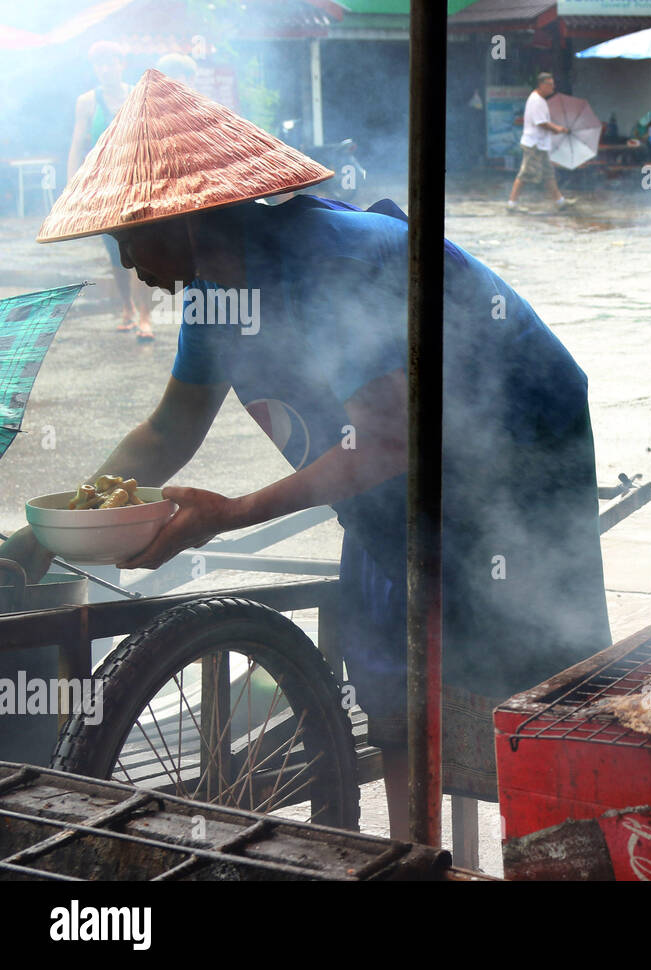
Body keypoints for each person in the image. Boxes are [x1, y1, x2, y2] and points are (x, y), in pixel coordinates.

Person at [3, 70, 611, 838]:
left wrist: (230, 513)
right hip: (394, 475)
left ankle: (558, 850)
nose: (126, 263)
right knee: (390, 672)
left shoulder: (338, 260)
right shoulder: (212, 296)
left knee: (534, 689)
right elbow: (170, 427)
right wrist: (37, 540)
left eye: (129, 235)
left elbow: (389, 435)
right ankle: (412, 856)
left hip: (513, 457)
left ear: (189, 218)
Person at [68, 41, 154, 340]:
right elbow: (79, 144)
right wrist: (73, 189)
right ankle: (127, 307)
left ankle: (144, 316)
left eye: (111, 62)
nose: (106, 68)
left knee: (141, 253)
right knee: (117, 256)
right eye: (100, 63)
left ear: (122, 63)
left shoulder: (137, 94)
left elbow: (149, 139)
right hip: (104, 192)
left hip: (137, 185)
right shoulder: (87, 101)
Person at [507, 72, 575, 211]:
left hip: (541, 144)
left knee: (548, 174)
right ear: (542, 85)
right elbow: (541, 123)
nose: (552, 87)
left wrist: (556, 128)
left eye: (553, 84)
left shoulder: (540, 100)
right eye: (550, 85)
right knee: (525, 174)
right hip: (534, 144)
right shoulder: (536, 100)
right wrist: (557, 128)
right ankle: (512, 203)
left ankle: (560, 202)